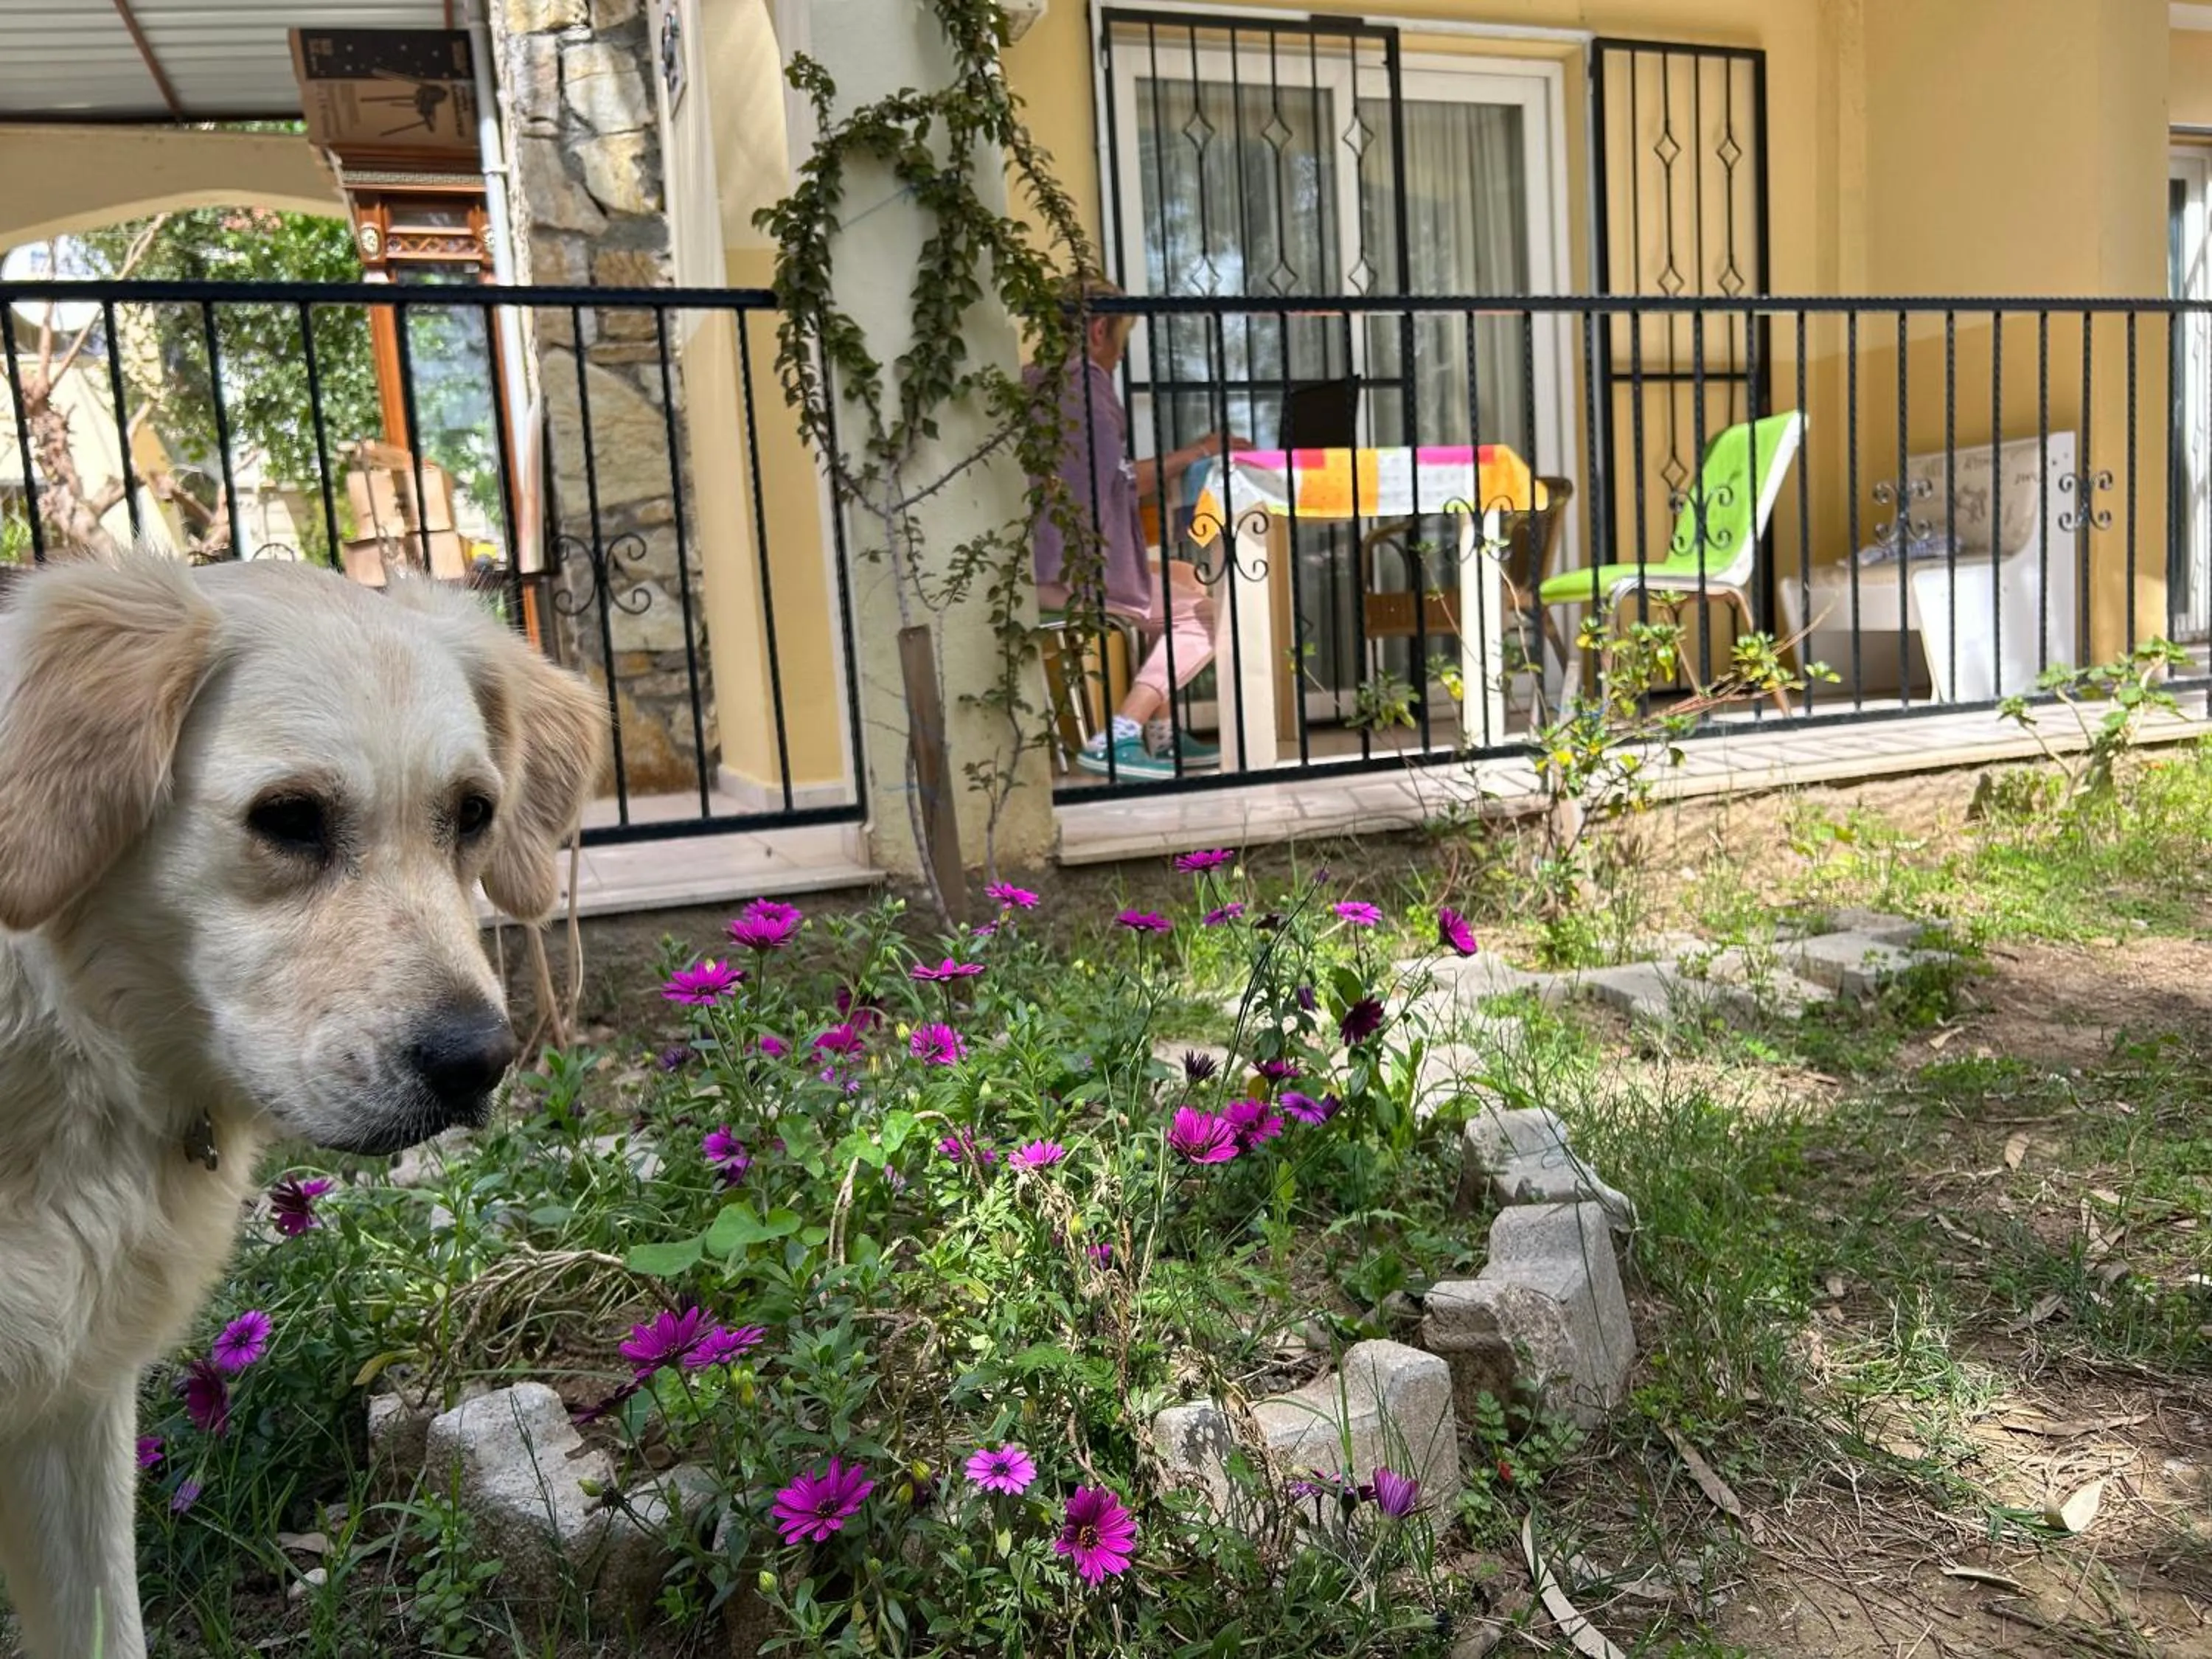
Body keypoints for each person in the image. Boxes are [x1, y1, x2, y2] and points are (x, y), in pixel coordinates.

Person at [1030, 277, 1251, 779]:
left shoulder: (1034, 379)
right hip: (1065, 578)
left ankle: (1164, 736)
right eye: (1124, 339)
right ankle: (1124, 732)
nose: (1122, 355)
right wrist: (1201, 451)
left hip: (1038, 566)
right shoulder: (1084, 388)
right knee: (1212, 616)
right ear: (1099, 330)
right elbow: (1117, 484)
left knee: (1186, 579)